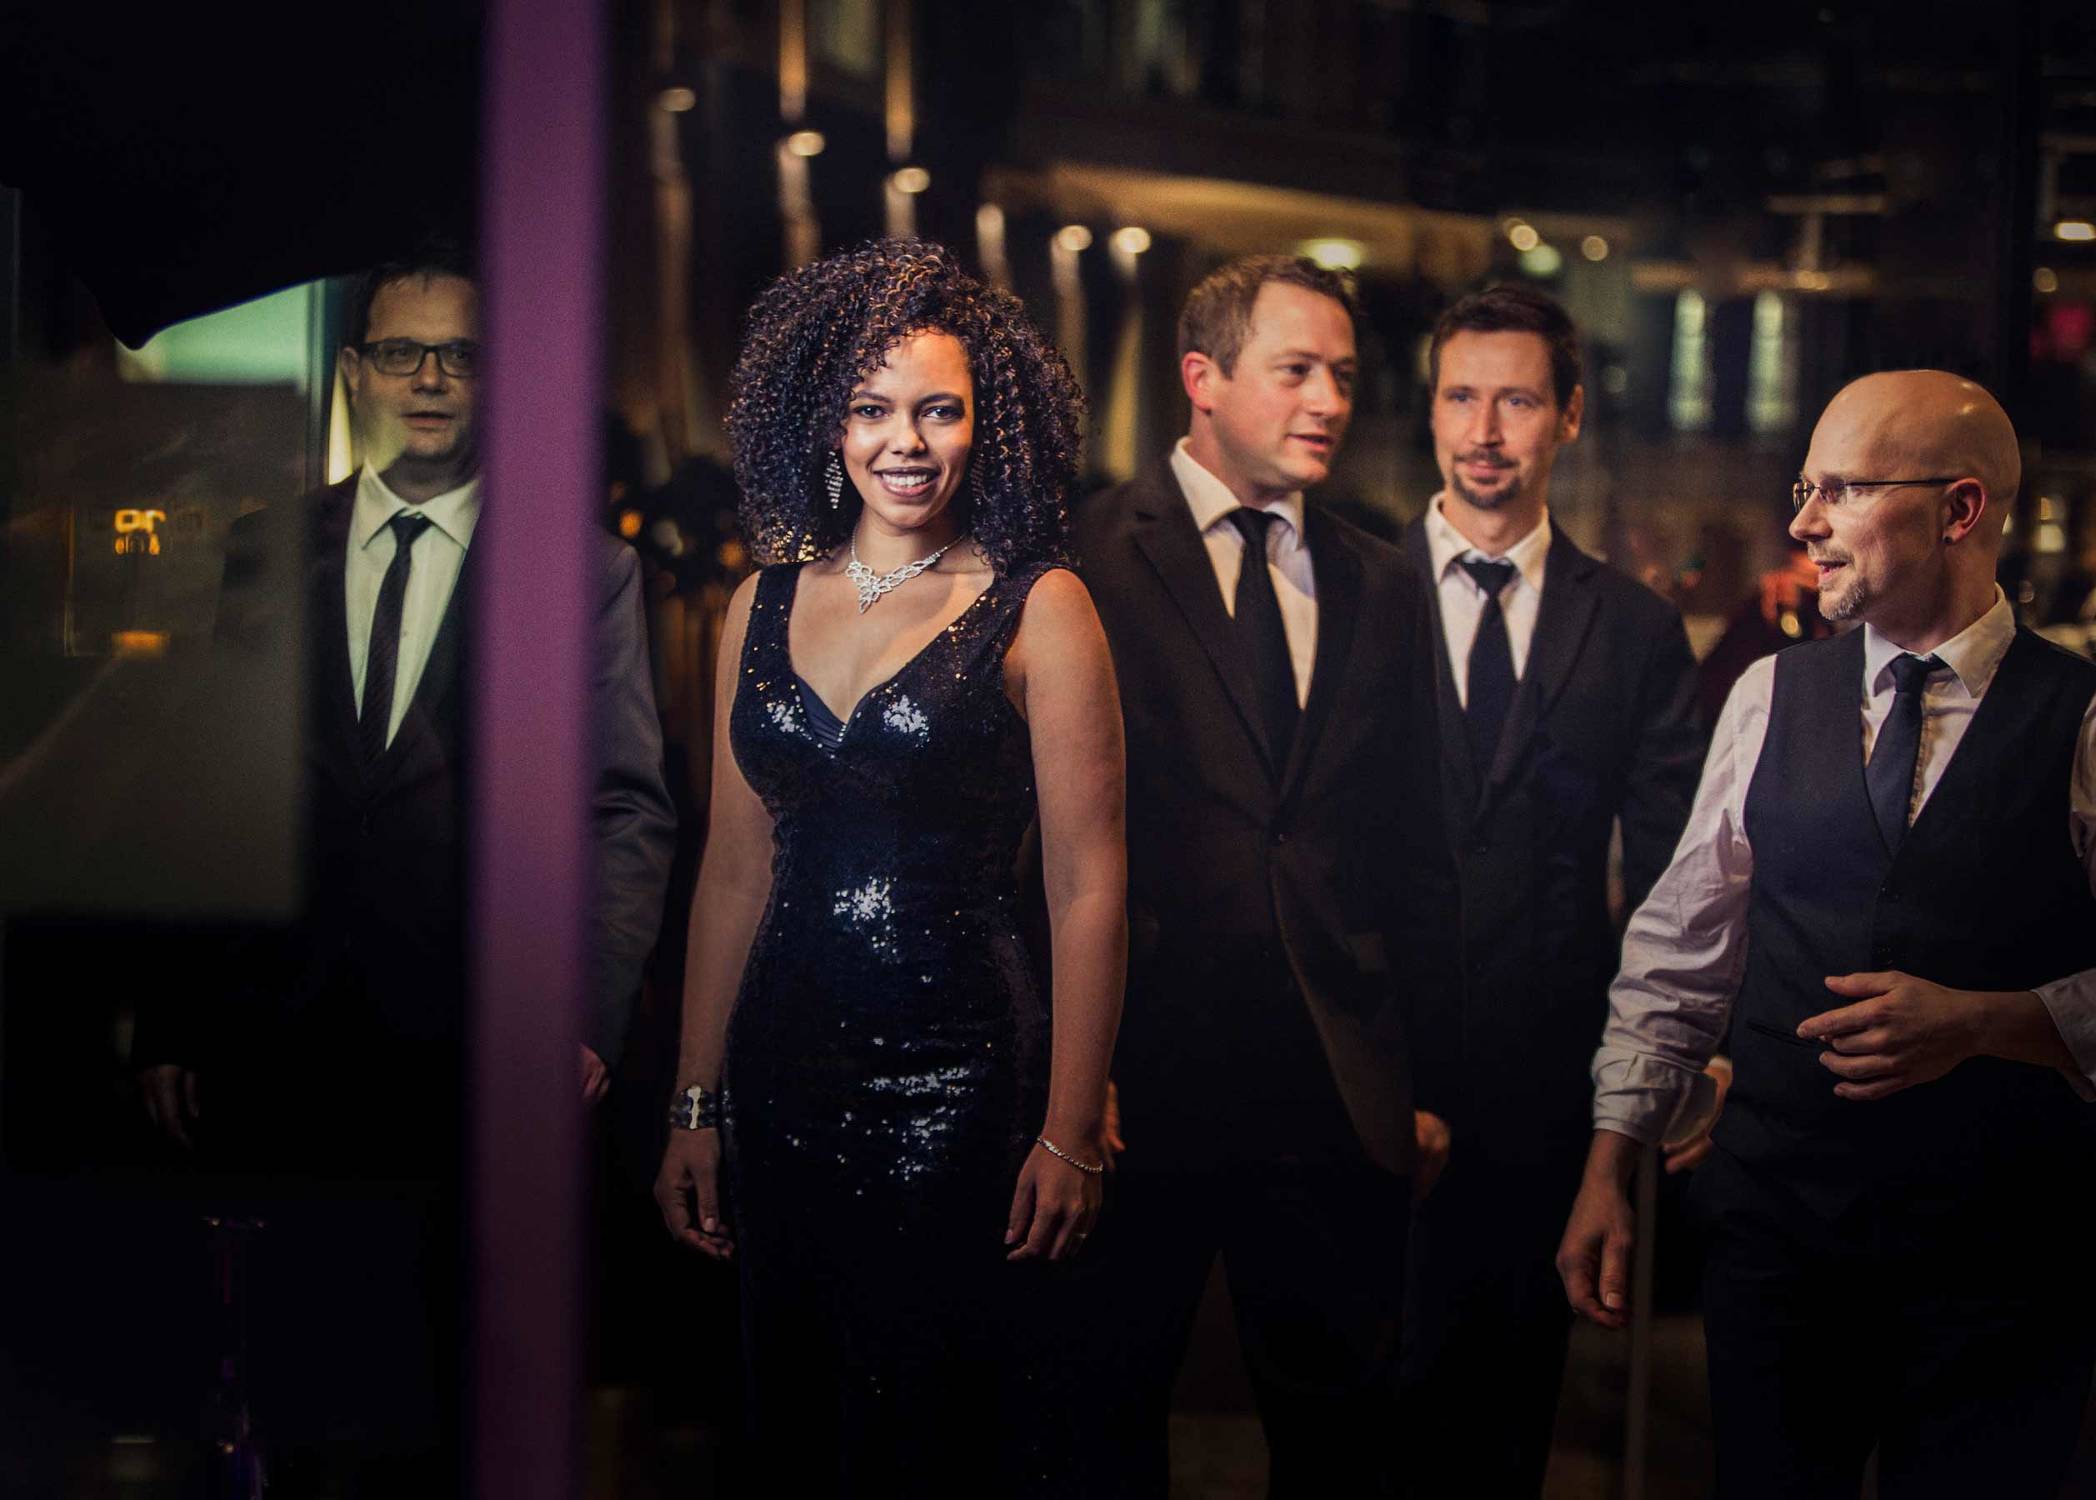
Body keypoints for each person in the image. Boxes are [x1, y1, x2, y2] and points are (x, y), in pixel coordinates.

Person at [131, 242, 677, 1481]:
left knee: (446, 1411)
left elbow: (625, 806)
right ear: (354, 375)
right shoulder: (261, 548)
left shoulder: (579, 573)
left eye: (460, 355)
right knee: (290, 1401)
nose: (430, 378)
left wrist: (587, 1015)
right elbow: (203, 784)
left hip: (475, 1048)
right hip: (278, 1045)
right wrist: (170, 1010)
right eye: (401, 352)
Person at [1559, 371, 2096, 1498]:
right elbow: (1679, 948)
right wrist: (1610, 1159)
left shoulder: (2080, 716)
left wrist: (1992, 1023)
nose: (1803, 523)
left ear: (1958, 510)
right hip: (1777, 1238)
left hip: (2001, 1257)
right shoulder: (1767, 694)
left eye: (1842, 489)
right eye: (1804, 489)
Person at [651, 239, 1125, 1495]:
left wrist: (1071, 1128)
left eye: (937, 411)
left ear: (989, 424)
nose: (902, 442)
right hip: (779, 1076)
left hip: (962, 1080)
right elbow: (731, 873)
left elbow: (1088, 889)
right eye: (870, 409)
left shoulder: (1041, 606)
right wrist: (695, 1104)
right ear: (826, 422)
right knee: (794, 1423)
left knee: (932, 1436)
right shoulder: (756, 605)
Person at [1073, 254, 1448, 1497]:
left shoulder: (1382, 581)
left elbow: (1414, 845)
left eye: (1342, 374)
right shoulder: (1082, 558)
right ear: (1202, 377)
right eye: (1295, 371)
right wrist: (1065, 1071)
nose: (1329, 401)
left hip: (1333, 1090)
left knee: (1339, 1444)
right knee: (1098, 1422)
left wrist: (1422, 1078)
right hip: (1135, 1080)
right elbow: (1027, 840)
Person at [1393, 284, 1705, 1496]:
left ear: (1567, 416)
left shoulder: (1632, 629)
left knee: (1505, 1430)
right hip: (1365, 1081)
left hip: (1543, 1098)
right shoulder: (1347, 592)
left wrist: (1652, 1086)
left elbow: (1671, 880)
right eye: (1460, 398)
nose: (1483, 431)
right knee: (1350, 1426)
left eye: (1516, 401)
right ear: (1429, 410)